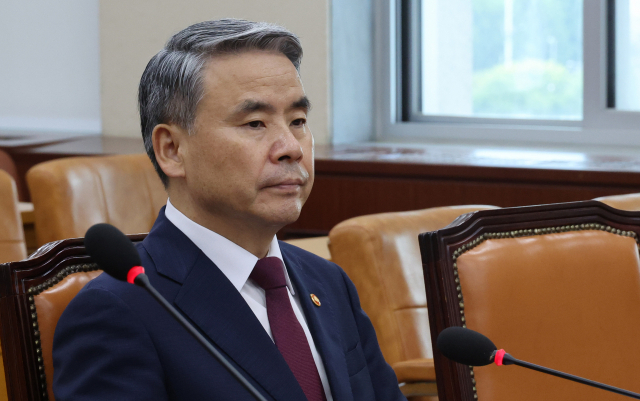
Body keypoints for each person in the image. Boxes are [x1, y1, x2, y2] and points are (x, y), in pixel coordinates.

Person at [53, 19, 406, 401]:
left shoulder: (327, 282)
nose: (292, 147)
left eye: (298, 121)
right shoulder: (118, 311)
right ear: (172, 149)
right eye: (255, 123)